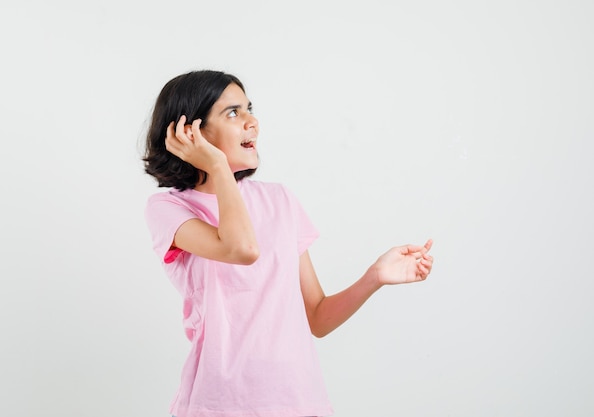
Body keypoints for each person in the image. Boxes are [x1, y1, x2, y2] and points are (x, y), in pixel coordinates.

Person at [143, 70, 434, 417]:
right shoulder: (169, 208)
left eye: (250, 108)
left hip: (299, 401)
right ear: (191, 131)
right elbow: (241, 249)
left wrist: (374, 276)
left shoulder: (279, 200)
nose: (253, 122)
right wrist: (218, 166)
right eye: (233, 113)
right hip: (217, 404)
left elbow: (317, 318)